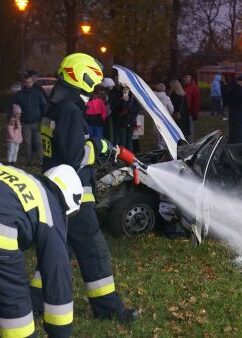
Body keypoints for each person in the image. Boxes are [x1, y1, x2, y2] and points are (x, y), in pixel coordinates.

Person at [40, 52, 138, 322]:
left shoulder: (56, 105)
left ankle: (35, 301)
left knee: (55, 250)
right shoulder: (70, 110)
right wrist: (98, 147)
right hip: (74, 196)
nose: (95, 89)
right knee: (94, 252)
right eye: (93, 82)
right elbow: (74, 157)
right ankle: (108, 309)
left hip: (53, 192)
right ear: (81, 75)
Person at [0, 164, 83, 338]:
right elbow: (57, 272)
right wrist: (60, 333)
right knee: (18, 317)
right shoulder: (50, 205)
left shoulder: (22, 177)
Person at [14, 74, 47, 165]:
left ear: (32, 82)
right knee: (27, 143)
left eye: (30, 82)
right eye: (26, 82)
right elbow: (15, 107)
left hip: (37, 122)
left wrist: (42, 119)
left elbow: (44, 106)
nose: (28, 84)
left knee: (39, 143)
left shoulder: (38, 93)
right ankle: (29, 161)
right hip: (25, 123)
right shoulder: (19, 95)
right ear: (23, 83)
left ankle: (42, 161)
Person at [115, 86, 140, 151]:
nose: (125, 92)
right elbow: (116, 109)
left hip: (130, 121)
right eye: (124, 91)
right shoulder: (120, 99)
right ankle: (122, 155)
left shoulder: (133, 100)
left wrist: (127, 104)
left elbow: (136, 110)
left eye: (126, 91)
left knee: (129, 139)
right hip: (122, 122)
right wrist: (122, 101)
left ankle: (129, 156)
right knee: (122, 140)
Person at [154, 83, 174, 149]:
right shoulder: (166, 98)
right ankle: (163, 148)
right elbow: (171, 109)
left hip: (156, 118)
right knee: (164, 135)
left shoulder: (153, 97)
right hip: (164, 118)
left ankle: (158, 146)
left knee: (157, 135)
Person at [182, 73, 200, 142]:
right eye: (184, 77)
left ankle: (190, 144)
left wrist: (194, 113)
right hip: (183, 113)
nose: (185, 79)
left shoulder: (194, 88)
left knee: (190, 131)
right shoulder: (183, 87)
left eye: (187, 77)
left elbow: (196, 101)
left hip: (189, 113)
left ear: (190, 78)